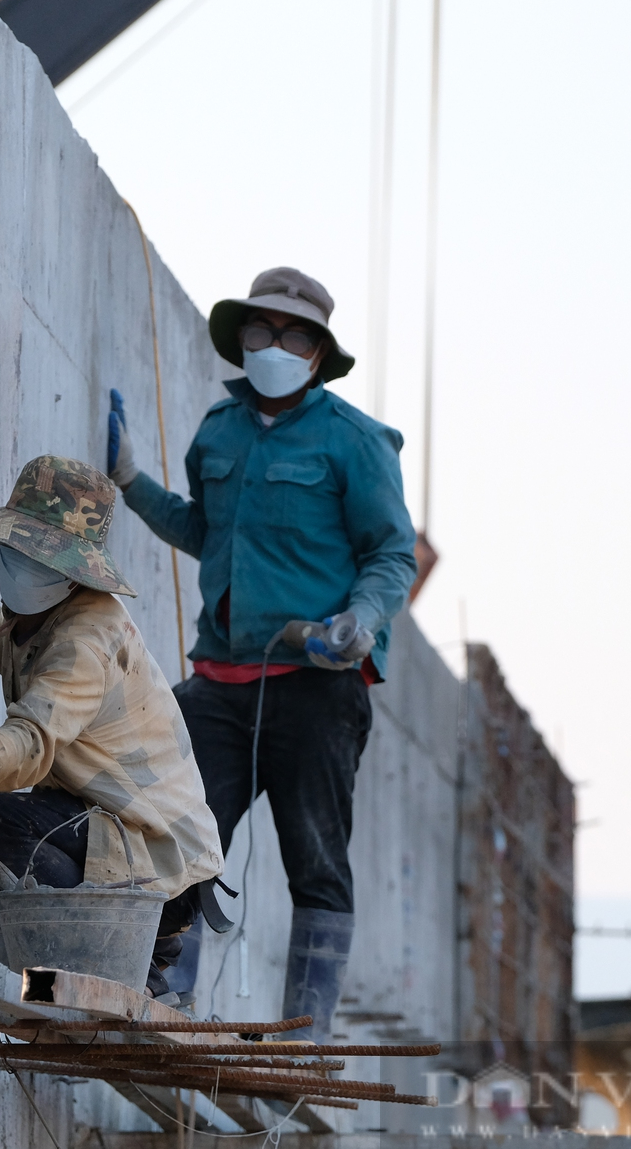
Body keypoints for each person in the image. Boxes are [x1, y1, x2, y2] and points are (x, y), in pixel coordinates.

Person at [106, 267, 417, 1041]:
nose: (275, 346)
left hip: (316, 683)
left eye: (294, 335)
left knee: (315, 858)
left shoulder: (355, 442)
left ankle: (304, 1036)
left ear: (319, 352)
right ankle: (167, 1002)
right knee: (178, 827)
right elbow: (206, 532)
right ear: (241, 338)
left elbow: (391, 552)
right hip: (223, 679)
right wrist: (130, 482)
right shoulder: (219, 431)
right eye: (262, 330)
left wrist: (361, 617)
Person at [0, 455, 228, 997]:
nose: (23, 564)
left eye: (41, 557)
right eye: (18, 550)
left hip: (154, 872)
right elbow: (9, 648)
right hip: (101, 842)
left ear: (73, 572)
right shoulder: (49, 621)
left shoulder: (85, 638)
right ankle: (65, 971)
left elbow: (32, 741)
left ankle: (133, 972)